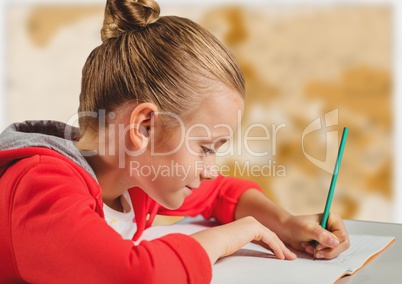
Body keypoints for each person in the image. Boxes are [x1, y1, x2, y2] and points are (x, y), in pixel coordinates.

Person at [0, 0, 350, 283]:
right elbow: (134, 275)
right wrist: (224, 239)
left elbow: (219, 195)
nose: (211, 170)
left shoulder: (133, 181)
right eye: (205, 148)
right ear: (146, 127)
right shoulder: (41, 187)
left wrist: (285, 223)